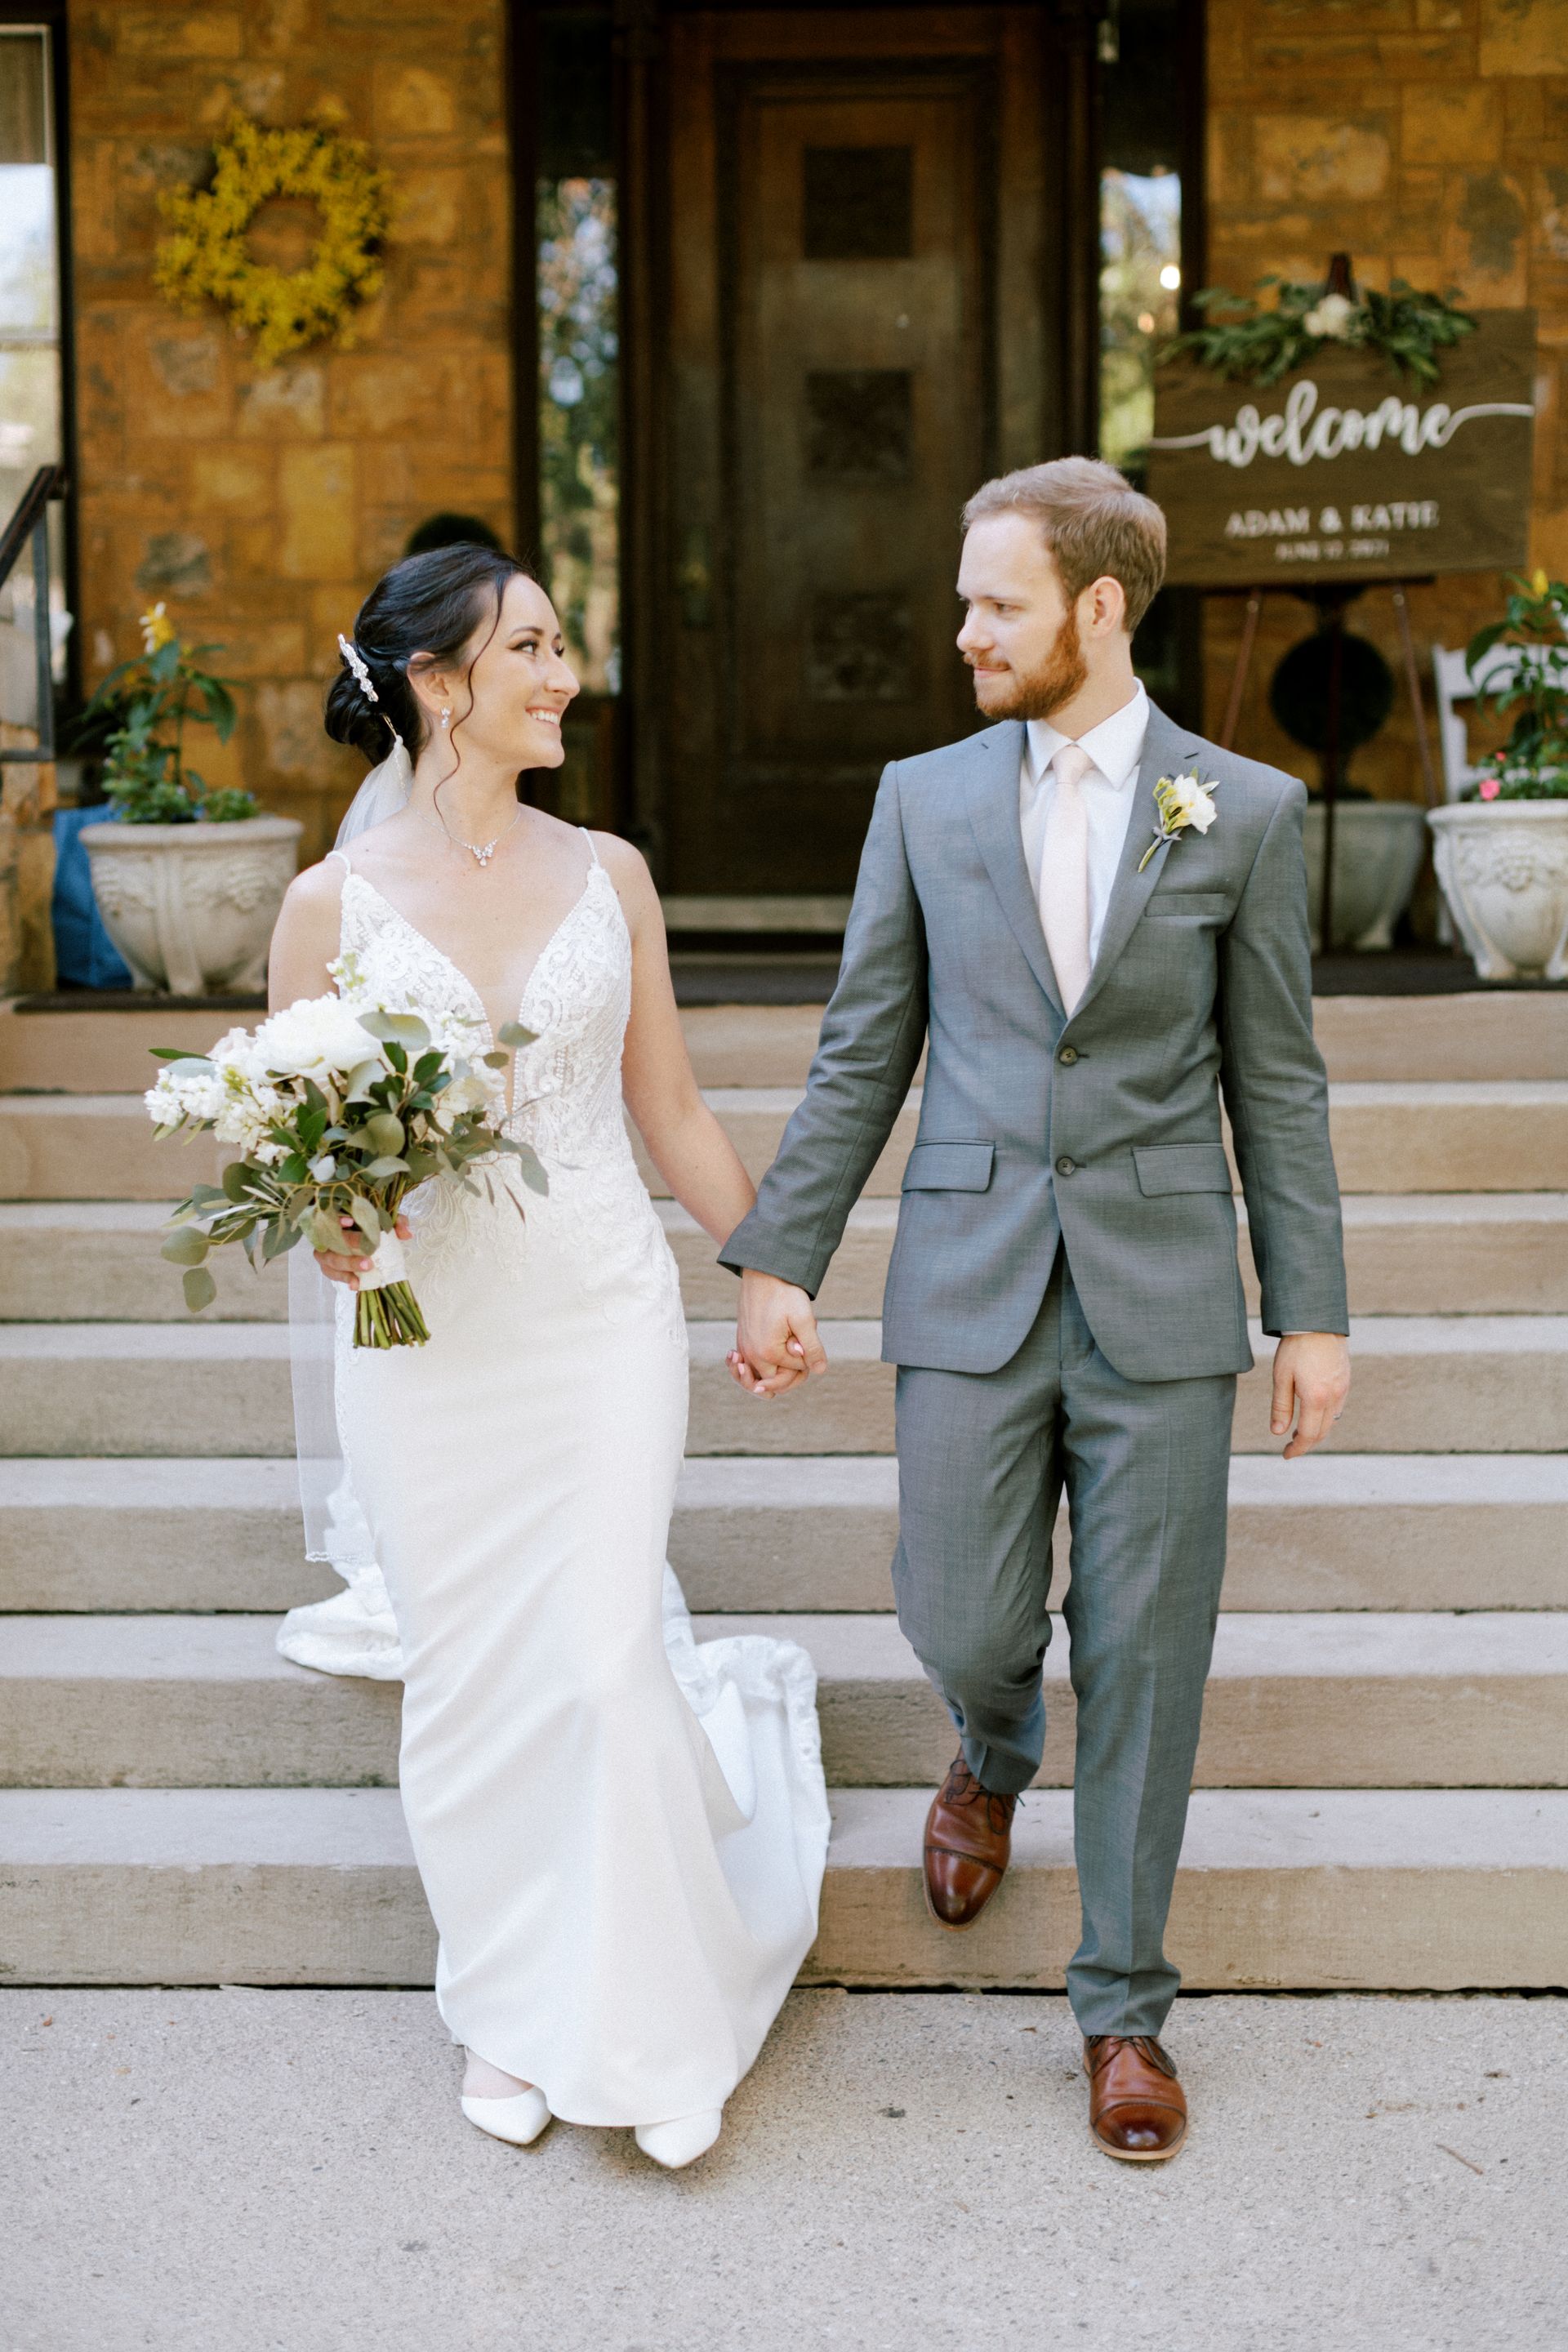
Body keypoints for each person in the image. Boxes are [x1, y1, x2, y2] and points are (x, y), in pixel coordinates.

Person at [723, 457, 1351, 2164]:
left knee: (1149, 1657)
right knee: (962, 1610)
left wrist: (1313, 1311)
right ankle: (990, 1743)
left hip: (1160, 1299)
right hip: (970, 1273)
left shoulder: (1249, 811)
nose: (964, 632)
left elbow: (1276, 1086)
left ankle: (1125, 2011)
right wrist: (787, 1253)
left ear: (1097, 607)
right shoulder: (923, 800)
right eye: (964, 600)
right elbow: (868, 1046)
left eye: (996, 603)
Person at [268, 545, 828, 2170]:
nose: (564, 671)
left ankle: (651, 2033)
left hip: (595, 1318)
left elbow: (671, 1110)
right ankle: (506, 2010)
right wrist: (346, 1234)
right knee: (466, 1688)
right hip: (424, 1341)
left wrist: (769, 1266)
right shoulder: (327, 910)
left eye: (563, 641)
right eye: (531, 645)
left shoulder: (613, 874)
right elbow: (313, 1195)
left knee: (592, 1664)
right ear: (438, 683)